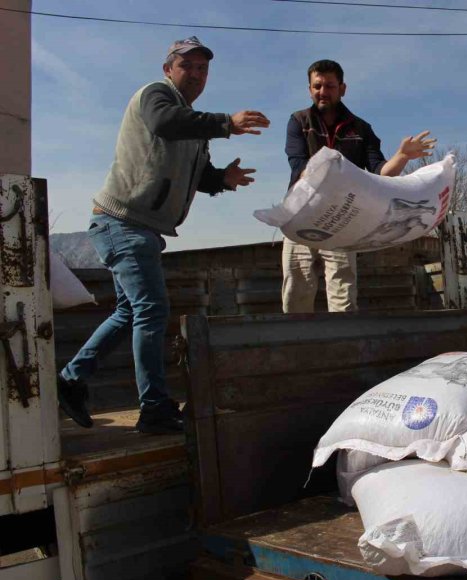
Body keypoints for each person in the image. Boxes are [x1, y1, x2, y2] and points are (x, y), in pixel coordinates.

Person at [56, 36, 270, 434]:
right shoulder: (156, 97)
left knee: (130, 311)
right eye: (187, 66)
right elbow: (164, 124)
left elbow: (197, 174)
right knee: (152, 308)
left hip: (141, 229)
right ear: (168, 68)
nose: (195, 74)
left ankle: (70, 379)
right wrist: (226, 123)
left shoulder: (193, 124)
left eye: (203, 69)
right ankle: (153, 408)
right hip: (122, 221)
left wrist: (223, 178)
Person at [281, 59, 435, 313]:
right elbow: (298, 166)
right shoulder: (298, 121)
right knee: (296, 291)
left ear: (342, 88)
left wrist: (402, 156)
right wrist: (332, 168)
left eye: (330, 85)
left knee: (343, 295)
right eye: (317, 85)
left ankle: (343, 347)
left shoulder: (362, 129)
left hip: (341, 220)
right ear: (309, 89)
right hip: (301, 216)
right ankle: (295, 348)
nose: (323, 91)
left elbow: (380, 172)